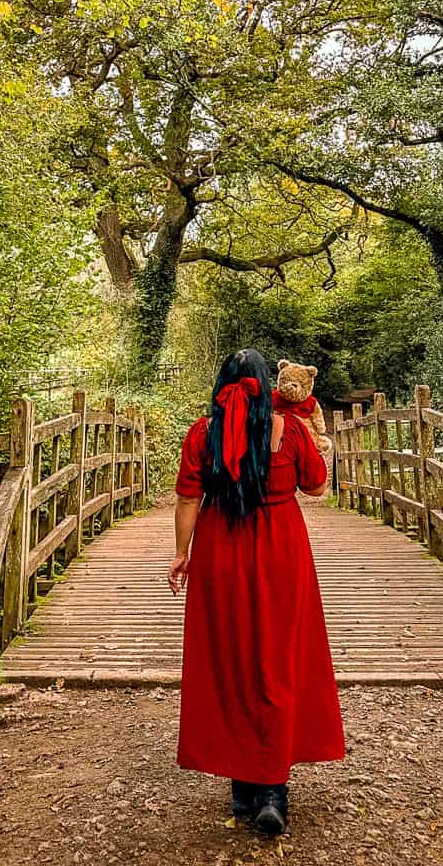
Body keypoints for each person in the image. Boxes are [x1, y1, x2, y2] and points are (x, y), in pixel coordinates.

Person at [167, 348, 345, 835]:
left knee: (230, 659)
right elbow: (316, 487)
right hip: (280, 553)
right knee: (277, 659)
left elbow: (188, 498)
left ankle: (243, 783)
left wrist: (181, 554)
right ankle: (273, 788)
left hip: (222, 551)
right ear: (268, 385)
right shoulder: (291, 431)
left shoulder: (204, 434)